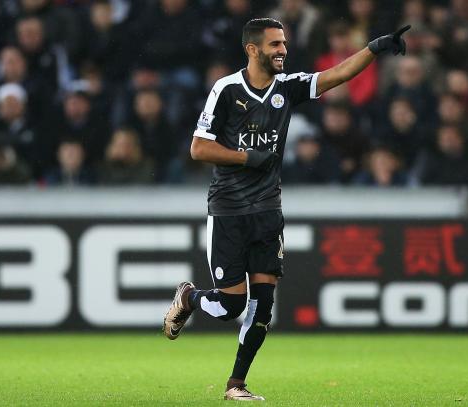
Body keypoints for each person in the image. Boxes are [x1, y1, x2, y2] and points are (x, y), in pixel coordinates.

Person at [162, 18, 410, 401]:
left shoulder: (287, 88)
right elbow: (198, 147)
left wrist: (375, 48)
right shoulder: (226, 90)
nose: (283, 51)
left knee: (262, 308)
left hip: (267, 210)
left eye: (284, 44)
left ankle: (236, 384)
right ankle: (190, 298)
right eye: (275, 44)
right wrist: (247, 157)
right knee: (230, 306)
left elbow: (336, 75)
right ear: (252, 49)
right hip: (228, 210)